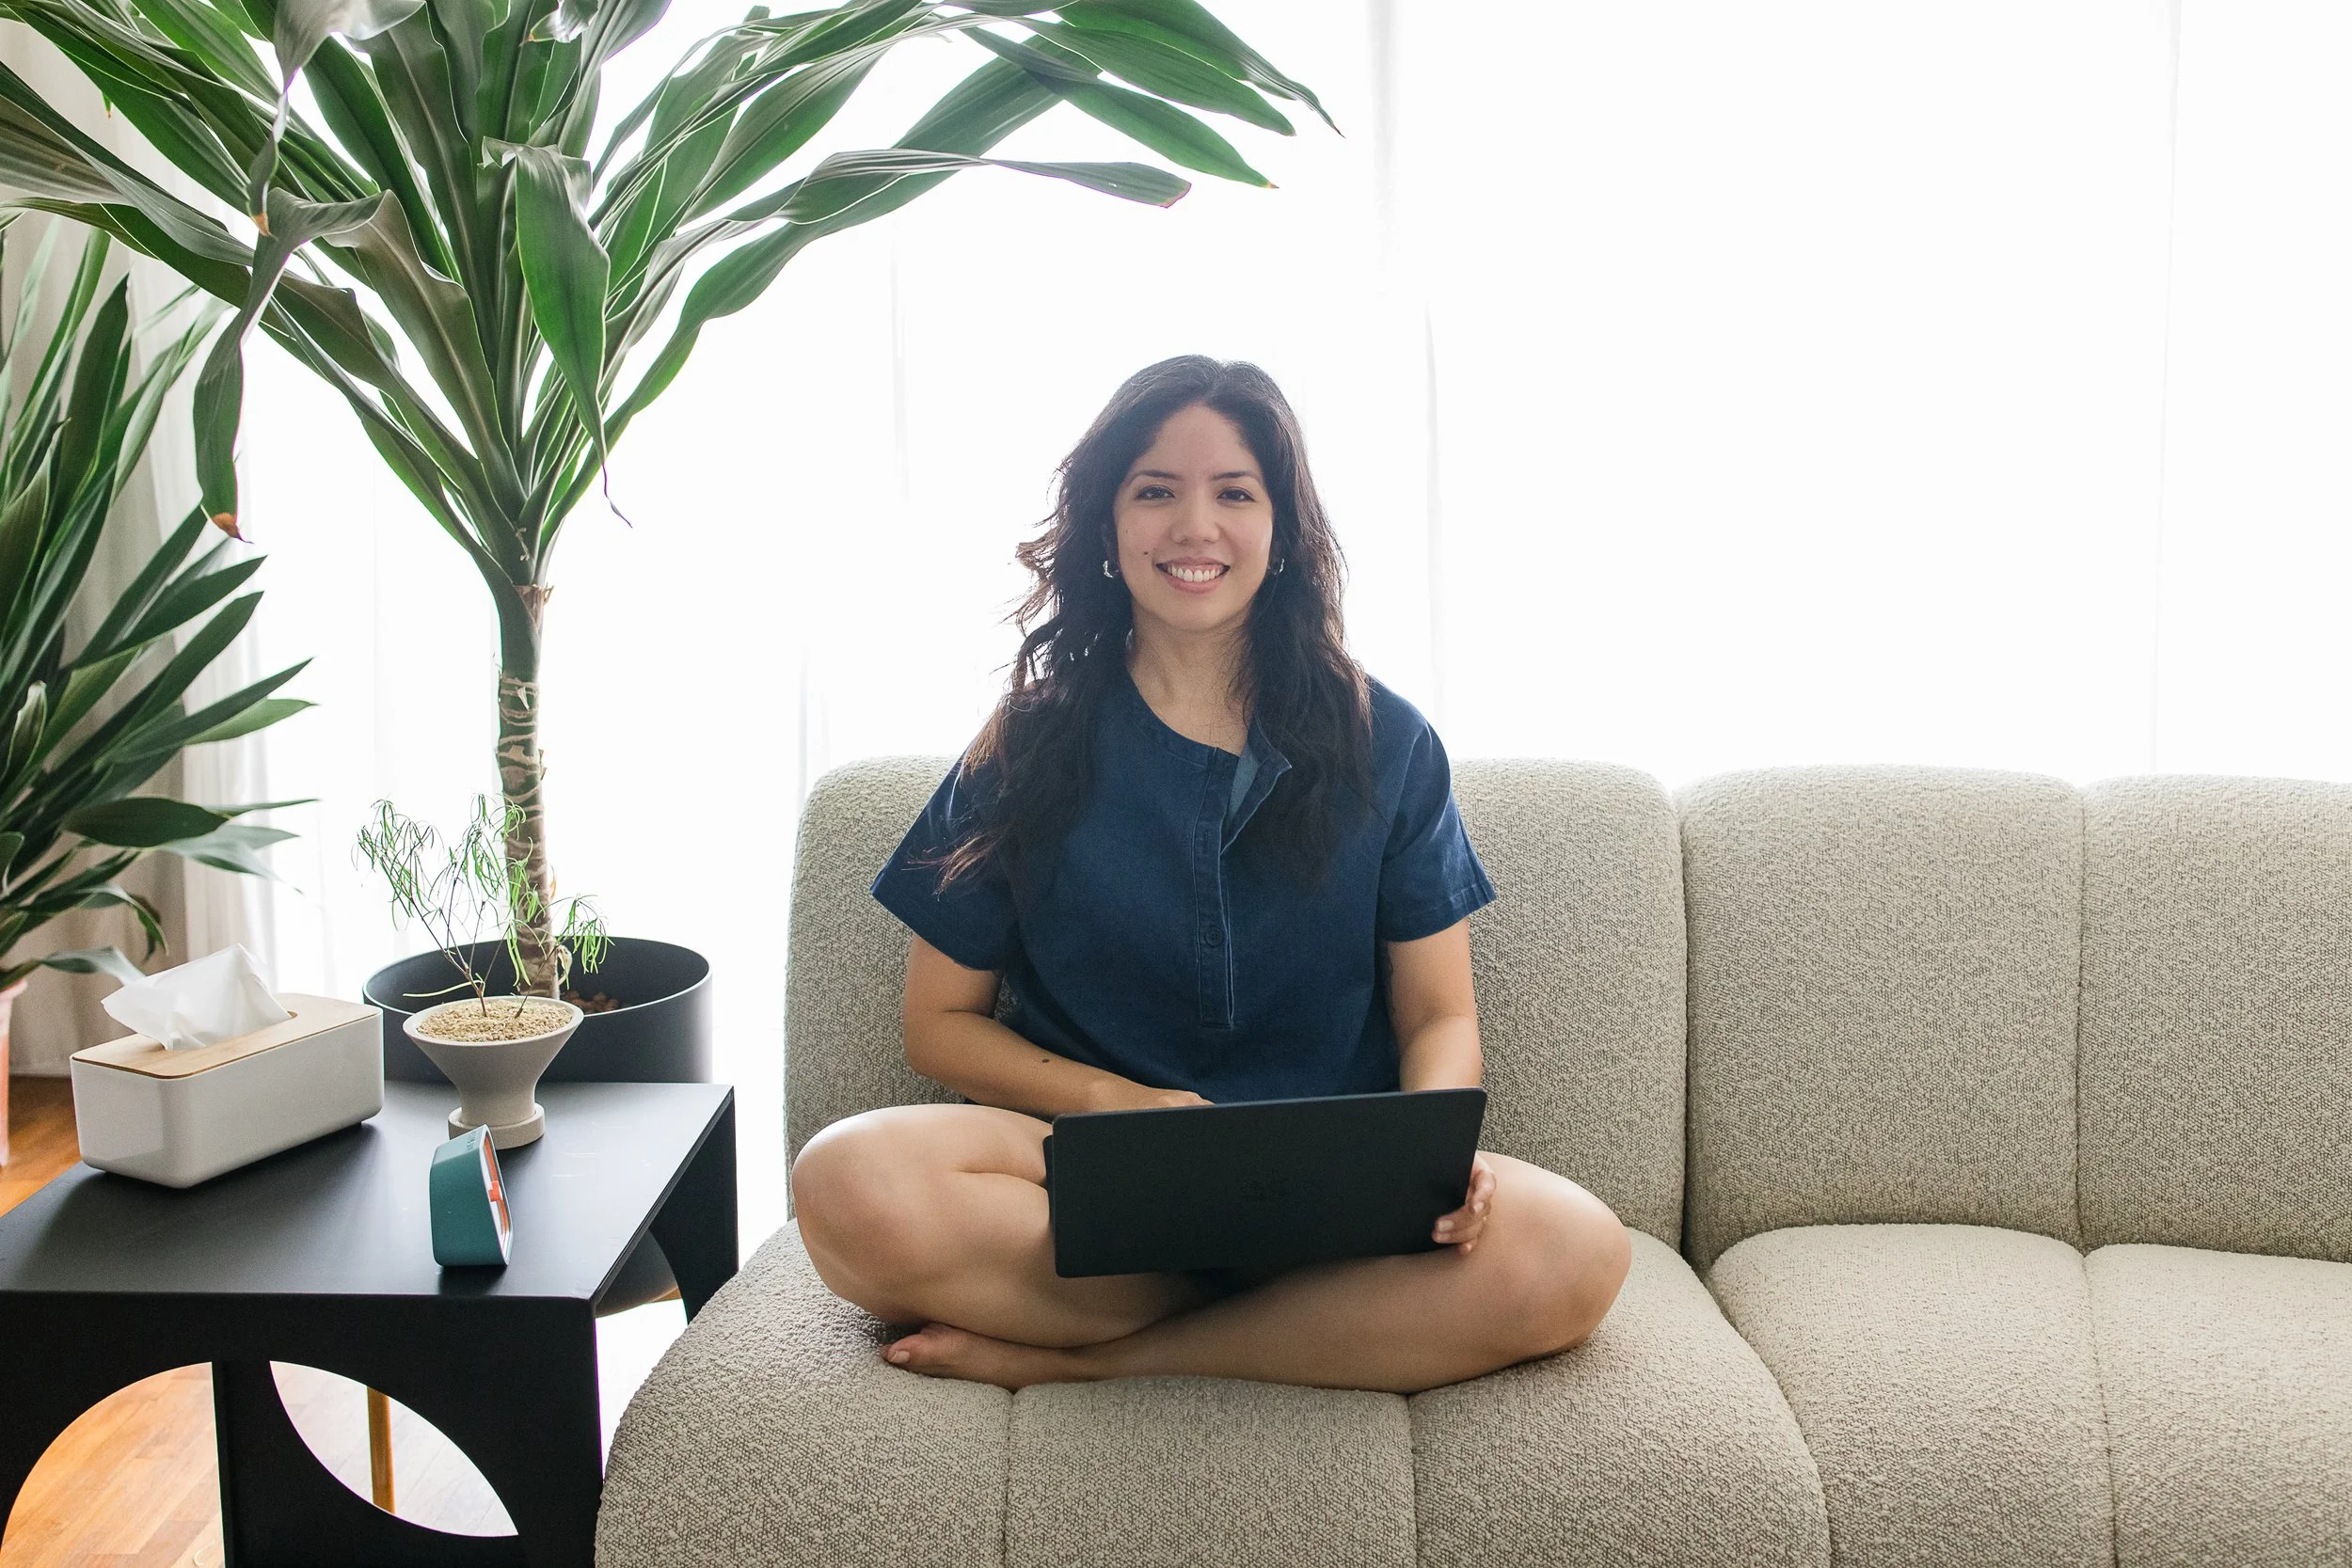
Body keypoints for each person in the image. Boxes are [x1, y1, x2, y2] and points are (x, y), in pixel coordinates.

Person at [789, 356, 1631, 1393]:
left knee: (1581, 1250)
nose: (1195, 526)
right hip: (1095, 1186)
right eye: (1156, 491)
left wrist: (1431, 1157)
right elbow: (939, 1024)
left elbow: (1438, 1016)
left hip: (1334, 1197)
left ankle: (1105, 1363)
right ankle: (1303, 1328)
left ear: (1282, 532)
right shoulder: (1025, 741)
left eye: (1235, 492)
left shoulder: (1390, 741)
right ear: (1106, 525)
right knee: (845, 1177)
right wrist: (1113, 1102)